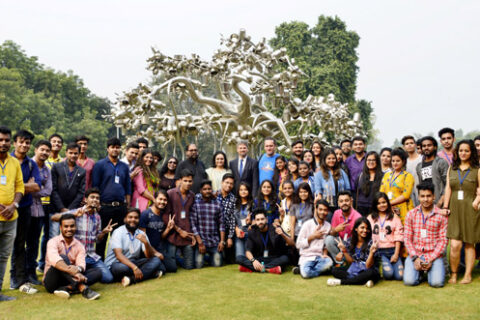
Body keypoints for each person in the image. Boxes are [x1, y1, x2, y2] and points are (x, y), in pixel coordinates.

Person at [50, 188, 116, 284]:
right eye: (92, 197)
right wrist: (74, 215)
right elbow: (54, 218)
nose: (95, 200)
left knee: (108, 278)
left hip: (91, 256)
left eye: (97, 198)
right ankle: (79, 277)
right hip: (75, 257)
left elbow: (97, 240)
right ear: (85, 199)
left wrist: (104, 232)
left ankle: (80, 275)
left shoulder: (97, 217)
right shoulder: (77, 212)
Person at [443, 139, 480, 284]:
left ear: (471, 152)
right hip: (455, 209)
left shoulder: (477, 169)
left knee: (470, 244)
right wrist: (445, 206)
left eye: (466, 150)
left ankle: (468, 275)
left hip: (471, 209)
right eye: (461, 151)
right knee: (455, 245)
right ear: (457, 152)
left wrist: (476, 202)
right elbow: (448, 188)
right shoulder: (451, 168)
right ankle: (453, 274)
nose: (463, 153)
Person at [10, 129, 41, 294]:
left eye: (27, 142)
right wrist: (24, 185)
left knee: (20, 244)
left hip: (24, 209)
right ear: (14, 143)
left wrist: (15, 186)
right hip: (5, 209)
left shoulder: (31, 163)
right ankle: (12, 277)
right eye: (21, 141)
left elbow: (37, 186)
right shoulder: (6, 160)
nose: (24, 145)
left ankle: (18, 278)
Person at [44, 214, 101, 300]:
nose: (69, 229)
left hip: (69, 279)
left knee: (97, 272)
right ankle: (82, 288)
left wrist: (78, 269)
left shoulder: (80, 246)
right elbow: (54, 260)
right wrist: (75, 273)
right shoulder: (52, 242)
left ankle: (68, 288)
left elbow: (81, 265)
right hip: (52, 281)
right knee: (63, 258)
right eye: (66, 226)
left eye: (72, 226)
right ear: (60, 228)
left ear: (75, 227)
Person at [92, 137, 131, 259]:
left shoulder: (124, 166)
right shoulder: (100, 165)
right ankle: (99, 263)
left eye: (117, 147)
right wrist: (97, 205)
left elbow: (128, 187)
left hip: (120, 207)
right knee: (102, 237)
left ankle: (115, 262)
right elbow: (95, 186)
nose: (115, 149)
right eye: (112, 147)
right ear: (107, 149)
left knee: (118, 238)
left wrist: (127, 206)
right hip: (104, 207)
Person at [404, 183, 448, 287]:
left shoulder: (441, 216)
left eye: (428, 196)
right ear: (418, 197)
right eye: (422, 196)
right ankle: (419, 274)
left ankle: (431, 272)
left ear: (434, 196)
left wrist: (431, 259)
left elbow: (443, 240)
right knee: (409, 282)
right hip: (416, 254)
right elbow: (407, 239)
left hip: (434, 255)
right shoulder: (411, 214)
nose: (425, 199)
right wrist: (415, 258)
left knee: (436, 283)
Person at [105, 208, 164, 286]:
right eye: (130, 217)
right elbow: (118, 256)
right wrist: (135, 268)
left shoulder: (141, 233)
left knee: (156, 260)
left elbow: (148, 256)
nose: (133, 220)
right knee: (124, 268)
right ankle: (150, 274)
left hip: (133, 262)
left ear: (139, 219)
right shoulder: (118, 232)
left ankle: (131, 279)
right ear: (125, 219)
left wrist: (146, 243)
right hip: (116, 264)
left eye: (136, 218)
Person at [0, 126, 24, 301]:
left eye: (6, 140)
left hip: (11, 218)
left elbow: (20, 186)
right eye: (0, 140)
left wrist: (14, 205)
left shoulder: (14, 162)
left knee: (3, 257)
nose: (3, 143)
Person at [26, 140, 52, 285]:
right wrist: (32, 187)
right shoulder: (27, 165)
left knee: (34, 243)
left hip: (39, 210)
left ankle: (31, 273)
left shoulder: (47, 170)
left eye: (47, 150)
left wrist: (33, 187)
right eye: (42, 149)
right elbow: (21, 188)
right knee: (21, 243)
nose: (44, 153)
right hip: (25, 208)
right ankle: (19, 274)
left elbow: (48, 190)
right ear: (35, 150)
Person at [236, 208, 294, 274]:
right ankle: (269, 269)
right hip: (259, 259)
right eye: (258, 220)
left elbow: (292, 243)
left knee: (285, 258)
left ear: (266, 219)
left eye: (262, 219)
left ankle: (256, 268)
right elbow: (248, 251)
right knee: (239, 258)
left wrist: (283, 234)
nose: (260, 222)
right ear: (254, 221)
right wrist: (253, 261)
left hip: (273, 258)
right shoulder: (252, 232)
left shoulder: (275, 228)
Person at [327, 217, 380, 287]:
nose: (365, 230)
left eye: (367, 228)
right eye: (362, 228)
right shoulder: (350, 241)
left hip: (368, 270)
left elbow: (368, 266)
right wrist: (344, 250)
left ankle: (341, 282)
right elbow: (351, 262)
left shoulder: (371, 243)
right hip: (355, 269)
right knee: (334, 270)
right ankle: (361, 281)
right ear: (356, 229)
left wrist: (371, 253)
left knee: (371, 273)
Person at [164, 169, 196, 270]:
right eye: (185, 180)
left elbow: (193, 216)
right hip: (173, 235)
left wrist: (192, 234)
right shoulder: (170, 193)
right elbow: (165, 216)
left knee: (189, 266)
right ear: (180, 180)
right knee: (171, 268)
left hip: (187, 236)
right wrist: (178, 230)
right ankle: (175, 258)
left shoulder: (192, 196)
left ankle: (178, 258)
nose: (187, 183)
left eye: (190, 181)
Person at [367, 192, 404, 280]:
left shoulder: (394, 217)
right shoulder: (370, 218)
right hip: (379, 251)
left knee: (400, 276)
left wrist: (396, 254)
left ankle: (389, 265)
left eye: (384, 202)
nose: (382, 205)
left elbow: (398, 236)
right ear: (375, 205)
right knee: (389, 274)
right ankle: (380, 266)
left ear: (387, 202)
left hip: (392, 250)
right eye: (378, 203)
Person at [139, 190, 177, 273]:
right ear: (154, 199)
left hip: (159, 248)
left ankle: (157, 266)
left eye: (165, 200)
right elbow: (142, 239)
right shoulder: (145, 214)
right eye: (160, 199)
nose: (162, 202)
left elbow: (161, 237)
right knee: (161, 267)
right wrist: (155, 253)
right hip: (147, 250)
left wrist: (168, 228)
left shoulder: (162, 215)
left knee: (173, 267)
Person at [190, 180, 225, 268]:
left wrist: (222, 241)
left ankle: (210, 257)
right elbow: (193, 225)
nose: (207, 191)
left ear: (212, 190)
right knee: (198, 265)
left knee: (217, 265)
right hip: (201, 242)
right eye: (204, 189)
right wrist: (200, 243)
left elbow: (222, 224)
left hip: (214, 242)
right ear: (200, 191)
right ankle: (205, 257)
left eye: (209, 189)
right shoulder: (196, 204)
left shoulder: (217, 204)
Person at [296, 199, 333, 278]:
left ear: (328, 211)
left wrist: (325, 254)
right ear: (316, 209)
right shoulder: (307, 224)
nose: (323, 212)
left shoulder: (328, 226)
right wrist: (312, 237)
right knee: (306, 274)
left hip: (320, 258)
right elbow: (298, 244)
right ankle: (308, 270)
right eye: (320, 209)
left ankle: (304, 270)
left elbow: (326, 244)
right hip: (307, 257)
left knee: (329, 262)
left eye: (325, 210)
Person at [324, 191, 362, 263]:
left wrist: (343, 251)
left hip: (352, 244)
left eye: (346, 200)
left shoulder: (357, 217)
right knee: (328, 239)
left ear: (351, 201)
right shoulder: (336, 213)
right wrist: (336, 230)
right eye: (341, 201)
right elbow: (332, 233)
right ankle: (341, 263)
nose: (344, 203)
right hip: (341, 242)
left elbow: (359, 240)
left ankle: (349, 261)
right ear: (338, 203)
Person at [380, 148, 414, 223]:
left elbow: (406, 195)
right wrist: (386, 205)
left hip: (404, 209)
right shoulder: (386, 175)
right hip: (387, 209)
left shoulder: (408, 176)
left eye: (398, 161)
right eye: (393, 161)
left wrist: (388, 204)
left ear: (403, 161)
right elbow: (381, 192)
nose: (395, 163)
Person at [51, 142, 86, 215]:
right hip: (56, 208)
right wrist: (61, 208)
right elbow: (53, 189)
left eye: (75, 153)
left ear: (79, 154)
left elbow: (81, 192)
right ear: (66, 153)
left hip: (73, 210)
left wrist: (70, 210)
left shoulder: (82, 171)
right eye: (70, 153)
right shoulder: (56, 167)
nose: (73, 155)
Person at [416, 136, 449, 206]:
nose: (426, 148)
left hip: (439, 201)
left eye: (429, 145)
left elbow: (447, 183)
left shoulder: (441, 162)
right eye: (424, 146)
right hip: (425, 202)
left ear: (435, 147)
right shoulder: (419, 166)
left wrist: (441, 200)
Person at [355, 151, 383, 216]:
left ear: (377, 162)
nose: (371, 162)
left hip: (376, 208)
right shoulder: (360, 176)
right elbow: (355, 192)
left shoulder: (383, 176)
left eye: (373, 160)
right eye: (369, 160)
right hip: (360, 209)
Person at [216, 173, 236, 262]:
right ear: (222, 182)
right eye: (227, 182)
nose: (229, 185)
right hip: (214, 230)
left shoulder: (233, 199)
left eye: (231, 183)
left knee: (229, 260)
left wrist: (230, 237)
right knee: (218, 258)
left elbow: (232, 219)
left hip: (227, 229)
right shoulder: (214, 195)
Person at [234, 182, 254, 260]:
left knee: (250, 257)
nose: (243, 191)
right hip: (239, 234)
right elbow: (232, 220)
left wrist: (251, 222)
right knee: (240, 258)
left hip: (250, 234)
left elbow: (257, 220)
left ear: (249, 191)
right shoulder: (235, 203)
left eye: (245, 189)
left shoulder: (253, 203)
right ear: (238, 192)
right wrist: (236, 229)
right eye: (241, 190)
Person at [403, 135, 422, 206]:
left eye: (411, 143)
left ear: (415, 145)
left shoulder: (422, 159)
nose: (409, 145)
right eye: (407, 144)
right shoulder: (403, 162)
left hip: (421, 189)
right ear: (404, 147)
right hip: (409, 191)